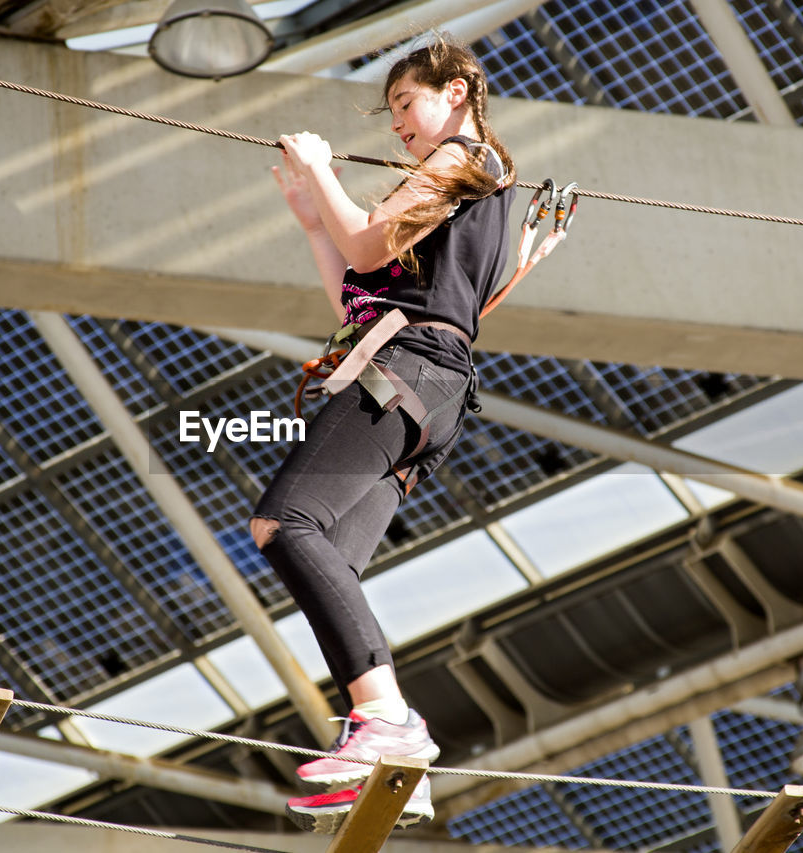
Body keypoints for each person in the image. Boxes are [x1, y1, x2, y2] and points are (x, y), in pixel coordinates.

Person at [248, 35, 516, 833]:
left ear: (458, 91)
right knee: (329, 555)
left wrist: (326, 170)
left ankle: (386, 722)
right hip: (429, 387)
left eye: (407, 103)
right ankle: (397, 747)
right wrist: (312, 223)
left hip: (406, 370)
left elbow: (367, 240)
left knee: (283, 523)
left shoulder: (466, 158)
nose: (399, 123)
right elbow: (357, 292)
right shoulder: (456, 185)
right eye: (393, 110)